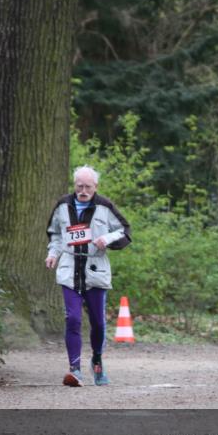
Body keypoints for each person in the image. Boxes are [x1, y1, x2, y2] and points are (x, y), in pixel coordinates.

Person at [46, 166, 131, 387]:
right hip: (69, 268)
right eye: (79, 186)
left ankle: (97, 361)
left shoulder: (105, 206)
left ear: (96, 187)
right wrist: (53, 254)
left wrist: (108, 239)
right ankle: (74, 369)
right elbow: (55, 233)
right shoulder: (63, 205)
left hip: (95, 269)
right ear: (74, 185)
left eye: (88, 187)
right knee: (73, 318)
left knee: (98, 323)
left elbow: (124, 230)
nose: (83, 190)